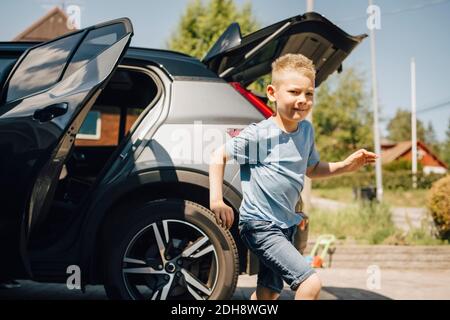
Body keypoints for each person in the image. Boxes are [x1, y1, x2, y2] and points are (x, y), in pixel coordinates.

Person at [209, 53, 378, 300]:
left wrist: (345, 165)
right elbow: (217, 156)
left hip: (285, 227)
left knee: (267, 294)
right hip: (260, 225)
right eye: (294, 92)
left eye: (309, 94)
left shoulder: (306, 131)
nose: (303, 100)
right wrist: (216, 201)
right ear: (272, 93)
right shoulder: (261, 135)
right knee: (309, 283)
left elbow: (311, 169)